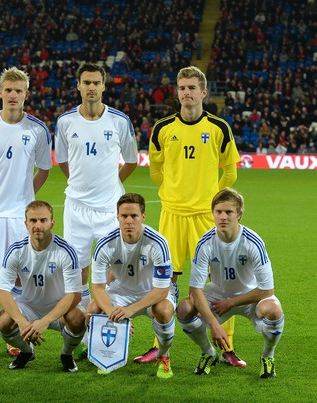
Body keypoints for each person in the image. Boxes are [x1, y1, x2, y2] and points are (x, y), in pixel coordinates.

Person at [141, 65, 242, 366]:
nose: (186, 92)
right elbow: (156, 171)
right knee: (163, 282)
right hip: (171, 216)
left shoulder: (219, 128)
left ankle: (226, 346)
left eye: (191, 87)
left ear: (203, 92)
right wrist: (174, 192)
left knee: (219, 281)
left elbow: (231, 172)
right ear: (177, 91)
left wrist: (209, 200)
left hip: (204, 219)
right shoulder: (162, 129)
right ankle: (157, 345)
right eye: (182, 87)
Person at [0, 66, 52, 357]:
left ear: (26, 94)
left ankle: (15, 332)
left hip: (20, 216)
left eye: (19, 91)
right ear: (0, 92)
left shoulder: (38, 129)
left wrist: (25, 195)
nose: (13, 95)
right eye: (8, 90)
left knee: (20, 277)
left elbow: (45, 168)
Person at [55, 62, 138, 322]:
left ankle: (103, 317)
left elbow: (132, 160)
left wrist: (112, 182)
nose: (91, 87)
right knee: (77, 268)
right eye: (86, 82)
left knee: (115, 267)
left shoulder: (119, 120)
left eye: (96, 83)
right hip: (76, 209)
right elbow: (62, 160)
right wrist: (80, 183)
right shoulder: (66, 121)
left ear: (104, 86)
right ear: (78, 85)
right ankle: (81, 326)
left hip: (108, 209)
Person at [176, 188, 284, 378]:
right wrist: (213, 324)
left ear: (239, 215)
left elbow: (267, 290)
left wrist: (231, 302)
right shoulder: (205, 243)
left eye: (229, 212)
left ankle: (268, 356)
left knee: (274, 310)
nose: (223, 217)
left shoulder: (253, 242)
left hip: (250, 296)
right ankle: (208, 352)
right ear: (213, 214)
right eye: (218, 212)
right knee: (184, 309)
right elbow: (195, 290)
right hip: (217, 295)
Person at [88, 193, 175, 378]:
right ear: (117, 216)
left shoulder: (158, 243)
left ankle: (164, 355)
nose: (129, 221)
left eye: (134, 216)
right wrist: (113, 311)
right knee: (93, 309)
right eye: (124, 216)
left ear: (143, 216)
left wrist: (130, 311)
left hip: (153, 292)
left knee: (165, 310)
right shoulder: (105, 244)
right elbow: (97, 288)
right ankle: (107, 355)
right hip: (123, 290)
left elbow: (162, 290)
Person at [0, 200, 86, 372]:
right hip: (29, 306)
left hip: (60, 307)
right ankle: (26, 351)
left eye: (43, 220)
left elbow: (73, 295)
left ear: (52, 222)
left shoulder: (66, 251)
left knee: (78, 317)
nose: (38, 225)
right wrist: (22, 322)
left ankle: (67, 354)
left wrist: (45, 321)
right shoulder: (16, 250)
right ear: (26, 223)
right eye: (33, 220)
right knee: (4, 321)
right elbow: (2, 291)